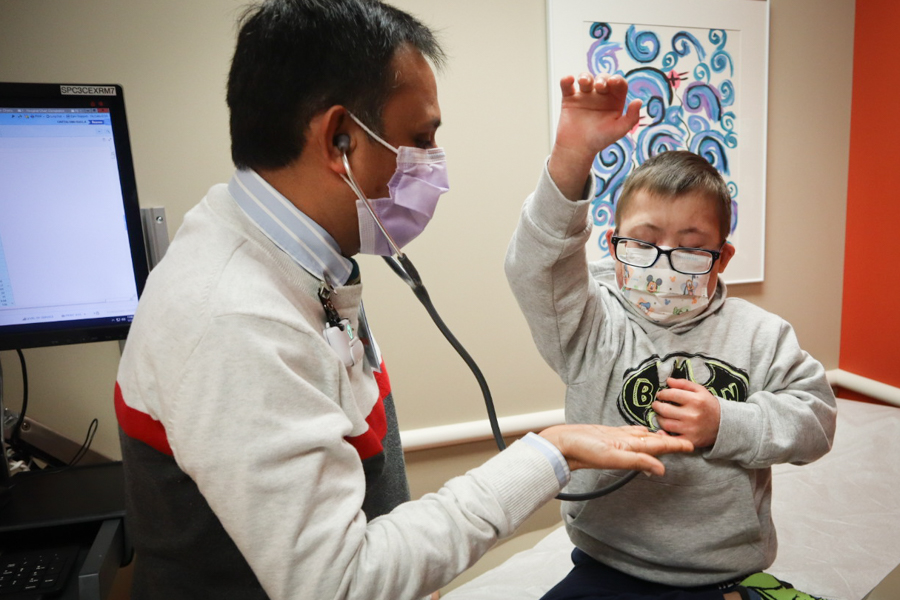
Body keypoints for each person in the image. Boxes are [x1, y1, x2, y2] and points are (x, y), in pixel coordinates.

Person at [113, 2, 694, 599]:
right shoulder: (234, 319)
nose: (434, 166)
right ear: (339, 139)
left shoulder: (293, 256)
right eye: (420, 139)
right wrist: (546, 456)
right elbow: (340, 585)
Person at [505, 73, 837, 600]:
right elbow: (535, 267)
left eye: (689, 246)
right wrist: (571, 157)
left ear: (721, 258)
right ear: (614, 248)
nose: (663, 264)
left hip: (722, 573)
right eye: (644, 242)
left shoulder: (761, 335)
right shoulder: (591, 325)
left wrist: (726, 423)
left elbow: (816, 422)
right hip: (605, 563)